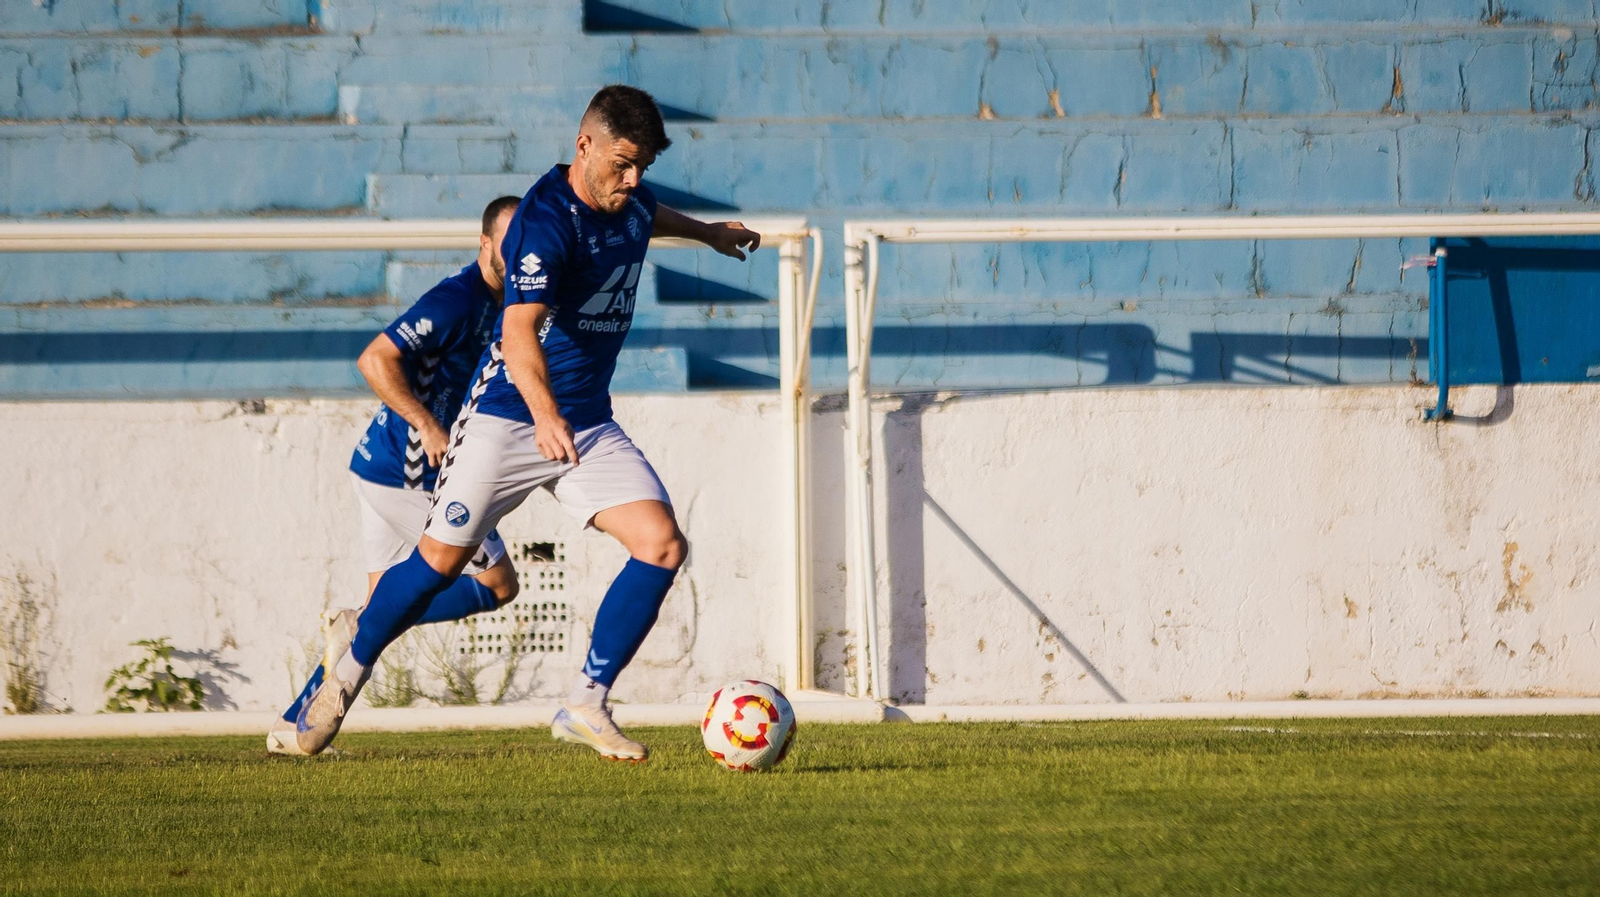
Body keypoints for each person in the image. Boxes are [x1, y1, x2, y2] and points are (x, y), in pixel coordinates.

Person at [296, 84, 761, 761]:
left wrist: (708, 234)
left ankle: (587, 703)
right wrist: (543, 415)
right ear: (585, 146)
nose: (632, 181)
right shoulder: (546, 222)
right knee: (436, 565)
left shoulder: (628, 203)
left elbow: (648, 215)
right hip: (507, 418)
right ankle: (345, 676)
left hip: (586, 422)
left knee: (662, 543)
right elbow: (517, 333)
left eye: (643, 169)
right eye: (622, 164)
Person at [267, 196, 525, 756]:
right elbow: (374, 359)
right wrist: (430, 427)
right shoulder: (457, 300)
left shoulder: (515, 300)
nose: (519, 251)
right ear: (484, 244)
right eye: (508, 240)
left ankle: (294, 726)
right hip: (412, 474)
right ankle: (361, 622)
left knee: (389, 602)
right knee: (497, 585)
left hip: (383, 468)